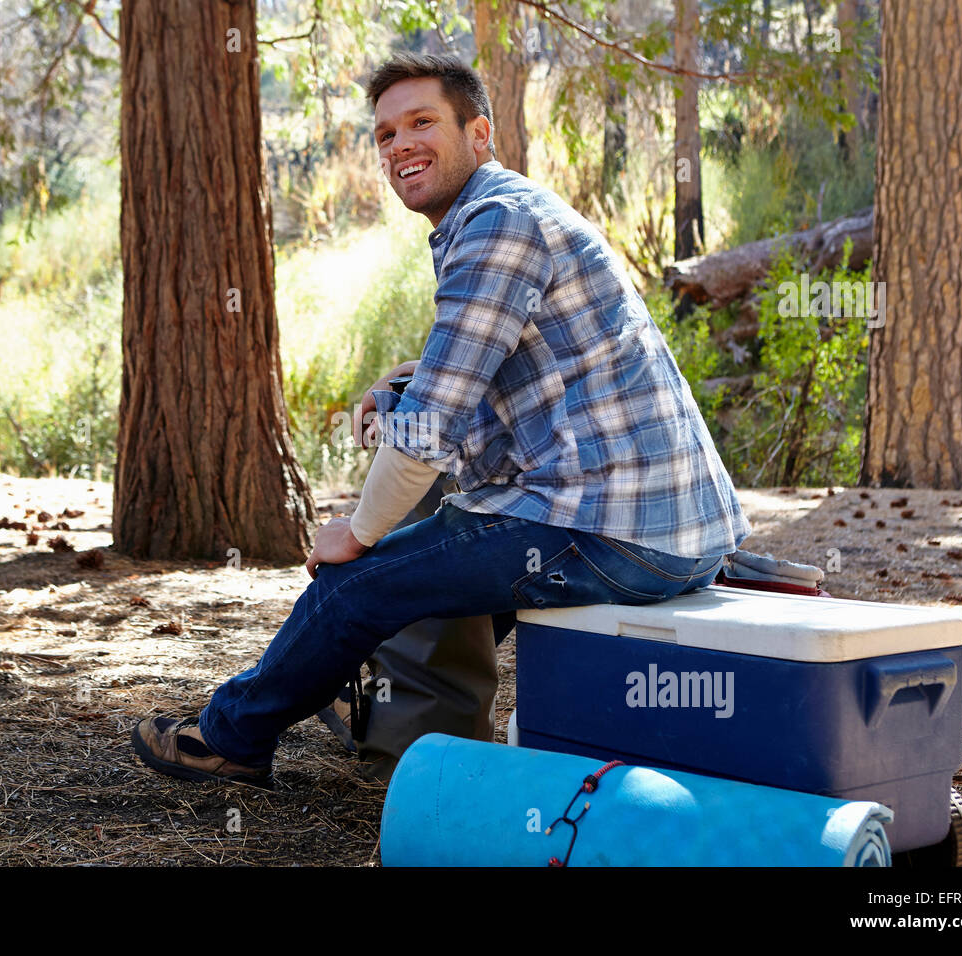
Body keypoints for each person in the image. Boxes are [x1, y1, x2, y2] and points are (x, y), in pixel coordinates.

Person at [130, 52, 750, 788]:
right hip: (672, 532)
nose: (399, 145)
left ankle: (229, 738)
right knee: (425, 588)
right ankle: (414, 740)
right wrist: (399, 390)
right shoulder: (508, 213)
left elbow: (430, 434)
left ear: (479, 132)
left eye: (422, 122)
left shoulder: (495, 224)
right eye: (386, 134)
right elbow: (479, 380)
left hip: (607, 533)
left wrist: (356, 534)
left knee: (353, 585)